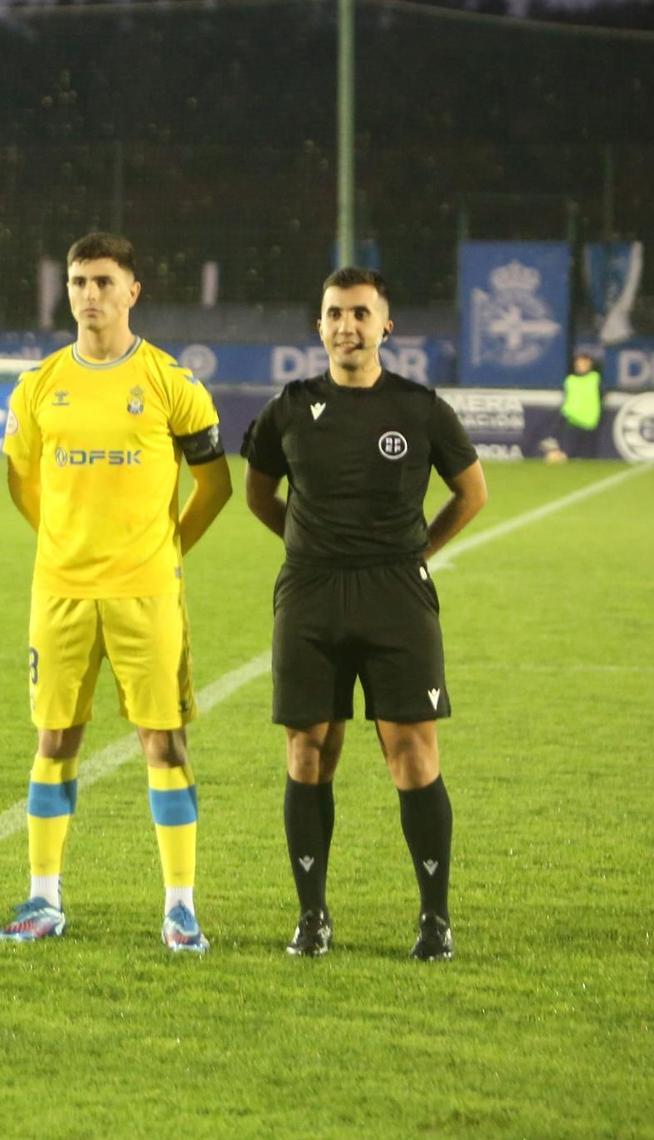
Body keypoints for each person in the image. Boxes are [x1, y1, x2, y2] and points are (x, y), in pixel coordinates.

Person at [0, 232, 234, 953]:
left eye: (103, 281)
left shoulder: (171, 381)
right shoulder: (38, 385)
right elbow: (21, 481)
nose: (89, 294)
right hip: (61, 590)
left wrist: (164, 549)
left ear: (133, 291)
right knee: (55, 738)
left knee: (163, 741)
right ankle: (43, 898)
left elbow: (215, 484)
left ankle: (181, 906)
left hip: (146, 593)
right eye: (78, 281)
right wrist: (65, 541)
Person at [241, 266, 488, 961]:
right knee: (308, 750)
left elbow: (472, 492)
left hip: (396, 597)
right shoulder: (288, 408)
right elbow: (258, 494)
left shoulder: (419, 407)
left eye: (360, 313)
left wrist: (417, 550)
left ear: (386, 325)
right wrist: (309, 543)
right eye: (333, 314)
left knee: (412, 753)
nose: (346, 326)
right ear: (318, 325)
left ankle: (435, 918)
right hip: (311, 594)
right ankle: (312, 915)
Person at [545, 352, 603, 462]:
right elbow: (567, 399)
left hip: (589, 422)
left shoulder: (595, 378)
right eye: (578, 363)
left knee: (588, 456)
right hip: (571, 420)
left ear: (589, 364)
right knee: (568, 452)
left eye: (583, 363)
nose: (580, 365)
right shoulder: (570, 380)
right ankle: (556, 455)